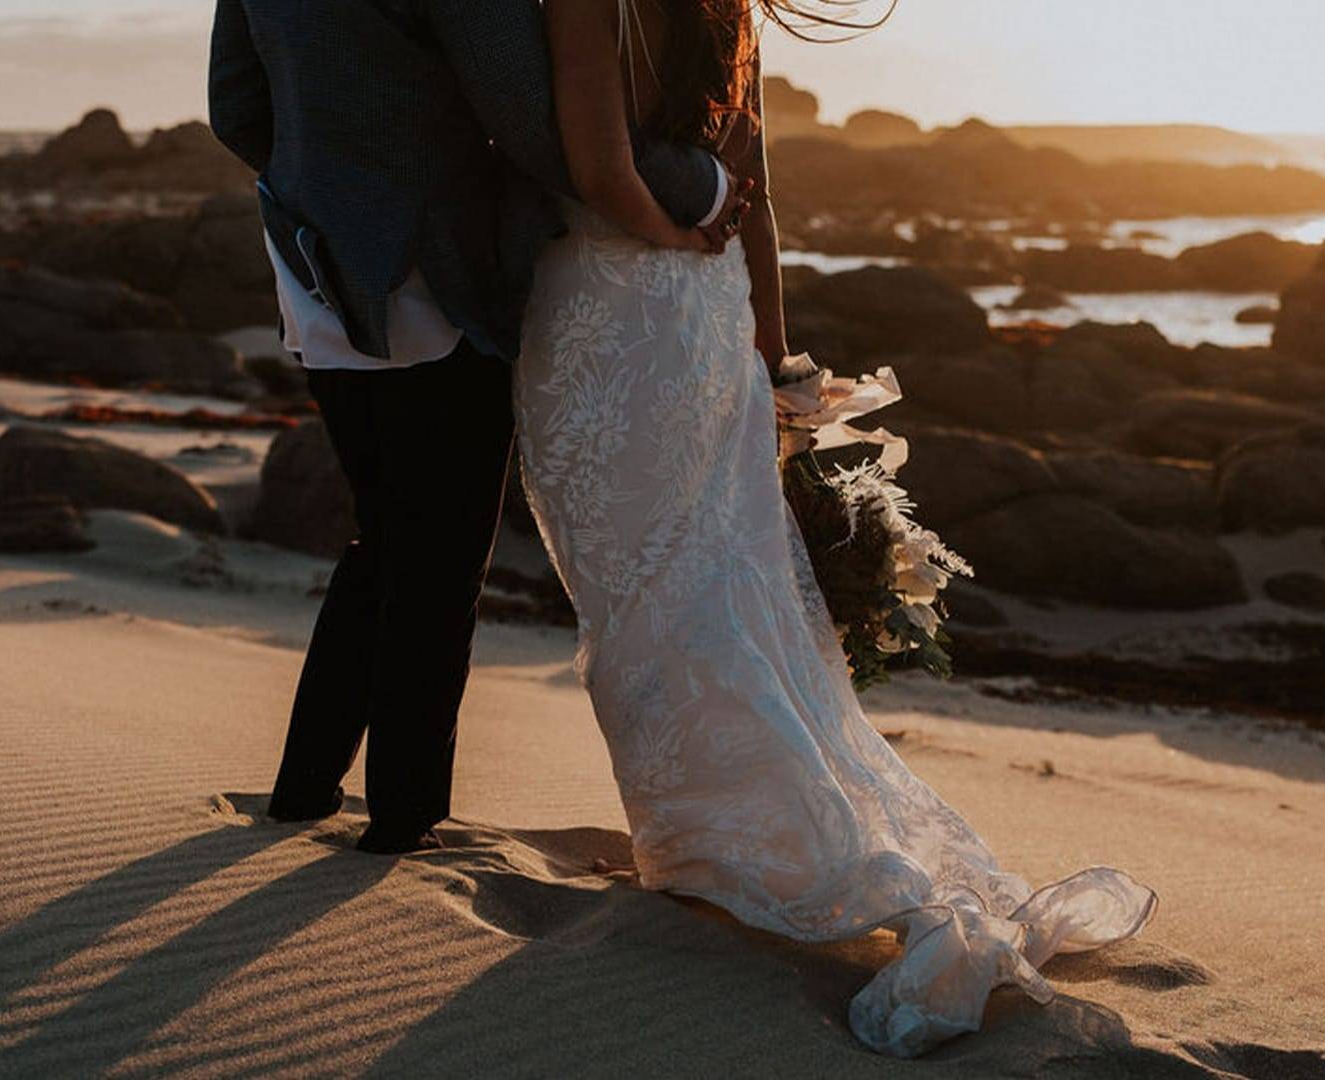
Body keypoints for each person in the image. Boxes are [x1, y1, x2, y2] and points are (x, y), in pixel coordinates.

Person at [508, 0, 1157, 1056]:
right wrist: (771, 358)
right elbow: (754, 195)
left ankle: (717, 849)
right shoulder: (726, 11)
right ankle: (711, 839)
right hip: (706, 316)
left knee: (642, 604)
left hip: (605, 318)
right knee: (713, 578)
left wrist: (668, 232)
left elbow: (599, 172)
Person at [208, 0, 752, 855]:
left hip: (315, 265)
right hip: (436, 274)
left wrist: (333, 183)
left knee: (385, 535)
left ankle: (304, 788)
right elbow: (534, 123)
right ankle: (402, 819)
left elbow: (235, 106)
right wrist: (704, 190)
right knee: (439, 560)